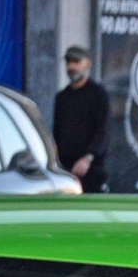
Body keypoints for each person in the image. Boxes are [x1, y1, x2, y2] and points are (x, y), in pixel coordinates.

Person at [54, 45, 111, 191]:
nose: (71, 66)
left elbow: (103, 131)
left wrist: (88, 158)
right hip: (66, 170)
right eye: (68, 62)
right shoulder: (62, 97)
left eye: (76, 62)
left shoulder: (98, 95)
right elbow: (57, 132)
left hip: (91, 170)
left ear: (87, 64)